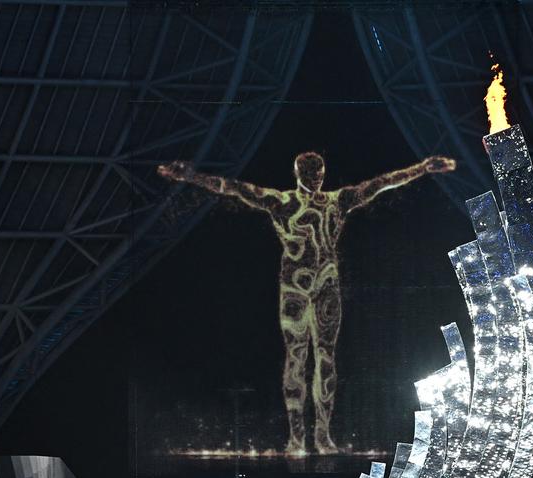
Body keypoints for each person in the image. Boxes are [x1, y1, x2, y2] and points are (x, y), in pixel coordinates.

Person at [158, 152, 456, 455]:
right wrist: (190, 176)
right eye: (312, 176)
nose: (317, 180)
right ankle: (298, 437)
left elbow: (380, 184)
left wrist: (421, 168)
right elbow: (232, 187)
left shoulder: (335, 201)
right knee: (297, 357)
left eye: (320, 175)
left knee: (324, 358)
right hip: (296, 289)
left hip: (324, 286)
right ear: (299, 174)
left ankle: (322, 435)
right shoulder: (285, 201)